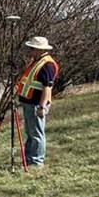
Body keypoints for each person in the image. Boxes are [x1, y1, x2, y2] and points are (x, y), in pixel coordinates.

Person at [16, 36, 60, 169]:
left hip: (36, 104)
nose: (30, 51)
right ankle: (29, 159)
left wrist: (42, 106)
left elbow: (47, 87)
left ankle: (36, 162)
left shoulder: (47, 64)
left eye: (32, 48)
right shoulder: (37, 61)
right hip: (29, 103)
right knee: (30, 133)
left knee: (37, 134)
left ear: (39, 49)